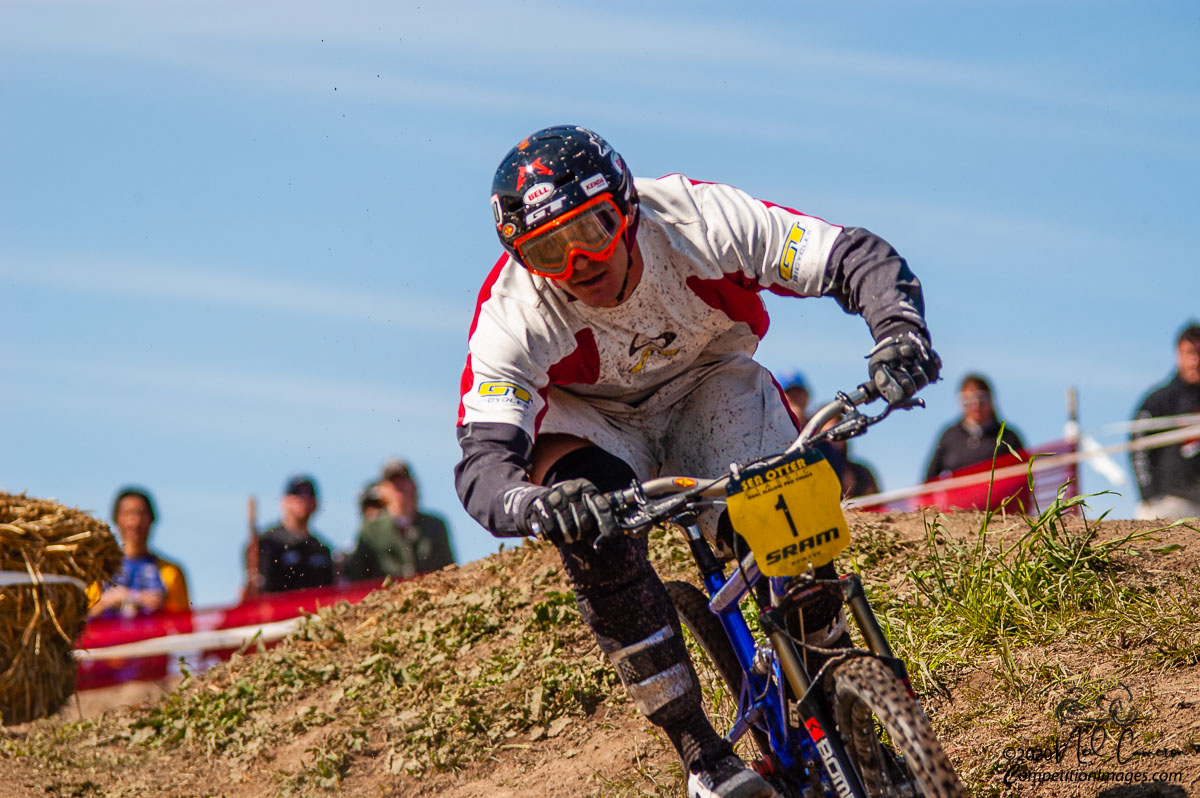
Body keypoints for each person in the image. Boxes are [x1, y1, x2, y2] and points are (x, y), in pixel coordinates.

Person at [454, 126, 940, 798]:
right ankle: (700, 753)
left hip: (709, 381)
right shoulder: (513, 313)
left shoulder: (696, 219)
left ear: (626, 207)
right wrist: (531, 504)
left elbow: (849, 255)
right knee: (592, 532)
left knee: (789, 536)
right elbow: (484, 460)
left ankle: (852, 720)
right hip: (592, 423)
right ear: (521, 257)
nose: (579, 265)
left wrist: (899, 330)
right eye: (547, 251)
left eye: (592, 230)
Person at [1131, 322, 1200, 519]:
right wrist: (1149, 494)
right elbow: (1138, 447)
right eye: (1190, 353)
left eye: (1199, 353)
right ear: (1178, 354)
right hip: (1168, 503)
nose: (1195, 361)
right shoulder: (1159, 401)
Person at [345, 459, 456, 580]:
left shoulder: (435, 526)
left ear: (413, 485)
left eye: (403, 480)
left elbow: (449, 570)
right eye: (393, 482)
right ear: (382, 490)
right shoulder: (371, 531)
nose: (399, 487)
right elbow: (357, 576)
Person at [88, 487, 190, 618]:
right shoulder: (99, 571)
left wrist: (160, 606)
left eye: (141, 513)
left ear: (151, 519)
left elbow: (184, 622)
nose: (135, 521)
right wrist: (105, 603)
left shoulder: (170, 572)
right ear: (117, 519)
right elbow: (78, 621)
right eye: (128, 513)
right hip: (107, 638)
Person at [923, 374, 1025, 482]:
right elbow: (929, 479)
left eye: (981, 399)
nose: (976, 405)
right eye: (968, 400)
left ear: (991, 401)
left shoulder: (1008, 437)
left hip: (998, 498)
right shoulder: (950, 436)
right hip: (959, 497)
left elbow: (1024, 476)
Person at [251, 475, 335, 593]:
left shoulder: (321, 549)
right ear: (284, 501)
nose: (304, 499)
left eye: (310, 494)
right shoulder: (267, 543)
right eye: (297, 494)